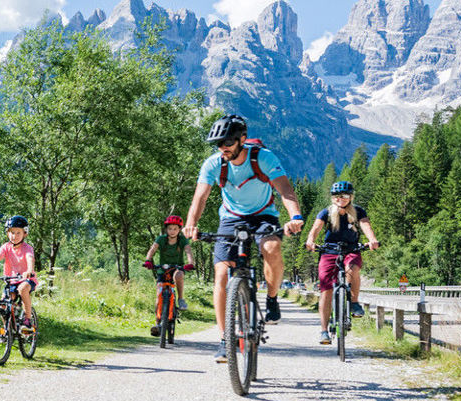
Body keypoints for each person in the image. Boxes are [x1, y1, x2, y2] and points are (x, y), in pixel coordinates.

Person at [182, 114, 305, 363]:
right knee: (221, 273)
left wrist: (296, 216)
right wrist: (191, 225)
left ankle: (271, 299)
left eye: (227, 142)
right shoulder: (213, 163)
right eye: (218, 144)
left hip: (263, 215)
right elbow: (200, 198)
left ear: (242, 140)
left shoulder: (263, 157)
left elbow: (285, 189)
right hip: (231, 218)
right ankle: (225, 340)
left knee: (271, 247)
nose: (222, 148)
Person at [305, 180, 381, 344]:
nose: (341, 198)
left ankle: (354, 303)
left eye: (345, 195)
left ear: (351, 197)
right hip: (329, 252)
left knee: (352, 269)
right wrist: (311, 241)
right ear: (333, 197)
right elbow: (315, 229)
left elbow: (366, 226)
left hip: (351, 250)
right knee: (326, 290)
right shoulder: (325, 213)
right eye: (337, 196)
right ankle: (324, 331)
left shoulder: (358, 212)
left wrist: (372, 240)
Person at [0, 215, 38, 335]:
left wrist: (29, 270)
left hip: (27, 279)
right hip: (12, 280)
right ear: (7, 233)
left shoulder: (27, 248)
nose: (14, 236)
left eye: (18, 233)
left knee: (22, 289)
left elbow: (30, 259)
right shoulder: (5, 247)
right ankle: (7, 329)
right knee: (5, 303)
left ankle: (27, 320)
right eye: (11, 232)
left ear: (25, 233)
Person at [141, 215, 195, 336]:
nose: (172, 231)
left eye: (175, 229)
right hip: (162, 269)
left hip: (176, 268)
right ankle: (157, 323)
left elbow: (188, 251)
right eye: (170, 228)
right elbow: (152, 249)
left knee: (179, 275)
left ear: (179, 230)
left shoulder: (182, 240)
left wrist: (191, 263)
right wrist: (148, 260)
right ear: (166, 229)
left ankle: (181, 299)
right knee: (159, 294)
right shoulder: (161, 239)